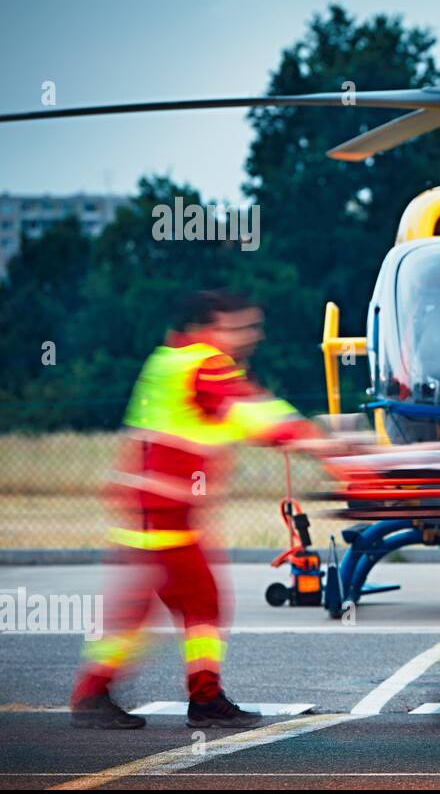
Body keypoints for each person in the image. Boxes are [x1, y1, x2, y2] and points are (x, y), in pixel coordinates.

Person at [71, 290, 322, 729]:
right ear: (207, 328)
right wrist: (312, 438)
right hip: (164, 513)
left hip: (157, 509)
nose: (248, 337)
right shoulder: (201, 363)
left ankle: (114, 693)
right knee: (186, 602)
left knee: (170, 604)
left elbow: (232, 414)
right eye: (238, 327)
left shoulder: (168, 360)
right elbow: (249, 411)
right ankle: (180, 698)